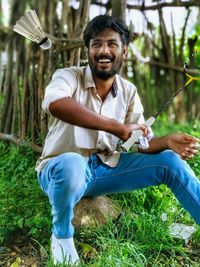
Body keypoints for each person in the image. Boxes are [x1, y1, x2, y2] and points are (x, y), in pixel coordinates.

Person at [36, 15, 200, 265]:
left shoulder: (128, 91)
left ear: (123, 50)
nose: (104, 51)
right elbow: (56, 104)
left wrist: (167, 141)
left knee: (169, 161)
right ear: (87, 50)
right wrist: (118, 128)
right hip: (60, 170)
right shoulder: (68, 76)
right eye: (96, 44)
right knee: (72, 163)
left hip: (105, 171)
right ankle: (61, 237)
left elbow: (136, 142)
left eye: (112, 44)